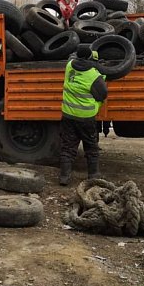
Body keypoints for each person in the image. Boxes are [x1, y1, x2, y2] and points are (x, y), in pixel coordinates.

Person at [58, 46, 108, 185]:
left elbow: (71, 57)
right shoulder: (94, 75)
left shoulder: (69, 67)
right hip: (86, 117)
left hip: (68, 115)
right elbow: (103, 93)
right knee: (91, 146)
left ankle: (64, 177)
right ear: (89, 58)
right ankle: (93, 175)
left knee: (68, 147)